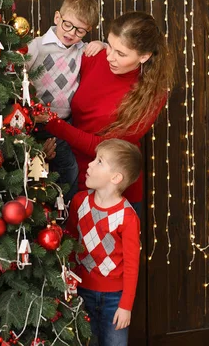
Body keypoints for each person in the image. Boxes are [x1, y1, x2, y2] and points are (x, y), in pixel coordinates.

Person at [36, 11, 175, 215]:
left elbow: (105, 147)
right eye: (109, 44)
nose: (110, 56)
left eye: (121, 53)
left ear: (144, 57)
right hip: (70, 176)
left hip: (112, 190)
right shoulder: (97, 57)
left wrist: (53, 123)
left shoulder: (152, 95)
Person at [25, 0, 105, 203]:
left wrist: (101, 45)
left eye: (80, 30)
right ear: (57, 18)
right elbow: (19, 70)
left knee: (69, 169)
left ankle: (64, 210)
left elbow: (105, 50)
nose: (71, 33)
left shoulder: (81, 51)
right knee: (33, 169)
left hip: (62, 122)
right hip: (34, 120)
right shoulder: (37, 46)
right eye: (67, 25)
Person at [65, 139, 142, 346]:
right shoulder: (79, 202)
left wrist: (126, 306)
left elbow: (132, 265)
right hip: (81, 292)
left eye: (99, 161)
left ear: (116, 178)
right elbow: (71, 242)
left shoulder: (127, 217)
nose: (89, 165)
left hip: (114, 300)